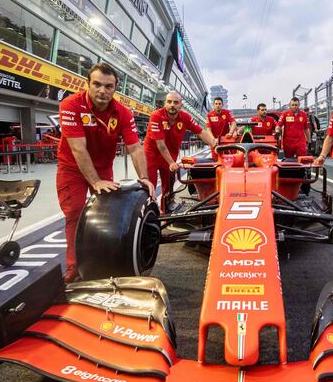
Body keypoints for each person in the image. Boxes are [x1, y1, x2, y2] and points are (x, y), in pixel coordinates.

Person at [57, 63, 155, 283]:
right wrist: (95, 181)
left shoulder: (123, 112)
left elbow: (135, 147)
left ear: (115, 88)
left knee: (106, 213)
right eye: (97, 84)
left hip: (102, 167)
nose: (103, 91)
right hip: (71, 168)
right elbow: (77, 148)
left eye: (108, 86)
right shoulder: (70, 105)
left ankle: (103, 260)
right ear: (88, 84)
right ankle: (73, 268)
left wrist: (145, 177)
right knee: (74, 213)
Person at [144, 91, 217, 210]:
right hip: (151, 154)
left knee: (168, 183)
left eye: (175, 102)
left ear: (180, 105)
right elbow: (160, 144)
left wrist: (215, 145)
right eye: (169, 102)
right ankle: (149, 208)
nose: (172, 105)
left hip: (171, 153)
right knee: (150, 185)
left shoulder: (185, 117)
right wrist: (171, 163)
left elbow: (200, 132)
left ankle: (167, 204)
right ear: (165, 103)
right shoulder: (156, 116)